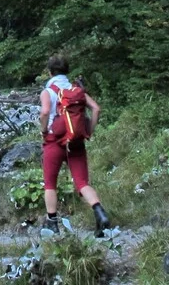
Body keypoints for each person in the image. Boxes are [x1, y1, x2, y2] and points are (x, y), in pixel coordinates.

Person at [38, 54, 111, 236]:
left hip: (54, 141)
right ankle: (100, 214)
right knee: (81, 182)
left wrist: (44, 130)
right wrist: (89, 130)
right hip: (76, 141)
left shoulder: (48, 91)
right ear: (67, 71)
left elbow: (45, 111)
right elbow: (96, 108)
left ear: (50, 72)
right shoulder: (76, 90)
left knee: (50, 183)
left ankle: (53, 225)